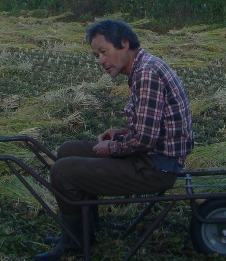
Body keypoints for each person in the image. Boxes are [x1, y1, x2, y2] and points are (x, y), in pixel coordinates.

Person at [35, 19, 194, 260]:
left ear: (124, 43)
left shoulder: (146, 74)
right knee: (67, 150)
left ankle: (74, 243)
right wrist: (120, 133)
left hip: (155, 167)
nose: (100, 61)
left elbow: (145, 140)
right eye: (96, 55)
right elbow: (149, 127)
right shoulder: (143, 67)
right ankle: (84, 232)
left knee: (62, 171)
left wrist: (112, 147)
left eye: (103, 52)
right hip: (152, 156)